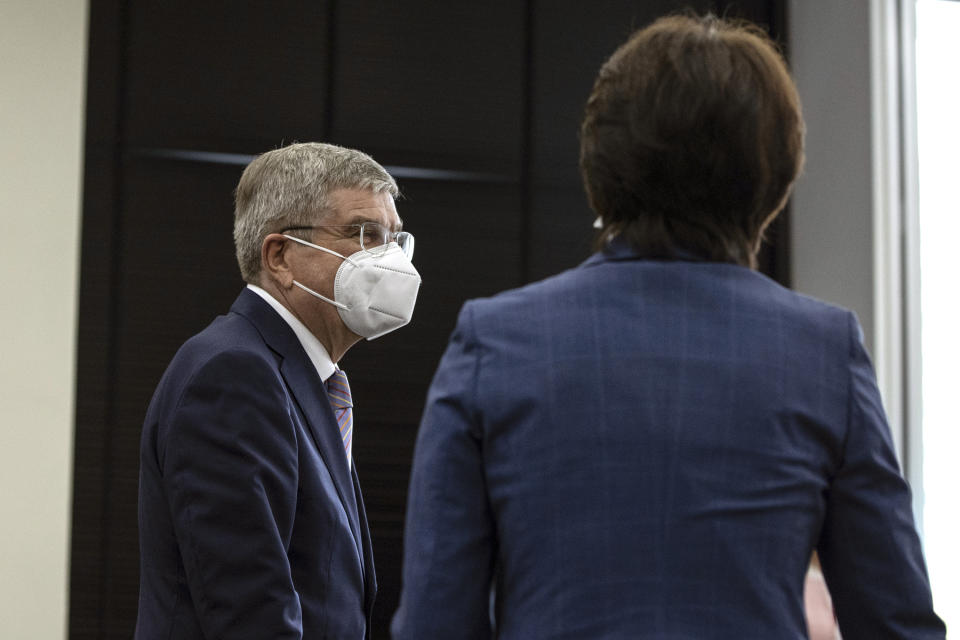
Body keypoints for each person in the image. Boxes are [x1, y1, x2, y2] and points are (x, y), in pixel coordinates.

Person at [391, 14, 944, 640]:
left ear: (601, 168)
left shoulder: (493, 342)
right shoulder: (823, 352)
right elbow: (897, 625)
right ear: (773, 183)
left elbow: (437, 623)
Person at [135, 142, 421, 639]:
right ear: (280, 256)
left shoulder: (303, 379)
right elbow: (250, 610)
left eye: (395, 239)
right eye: (364, 234)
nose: (390, 258)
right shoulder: (232, 374)